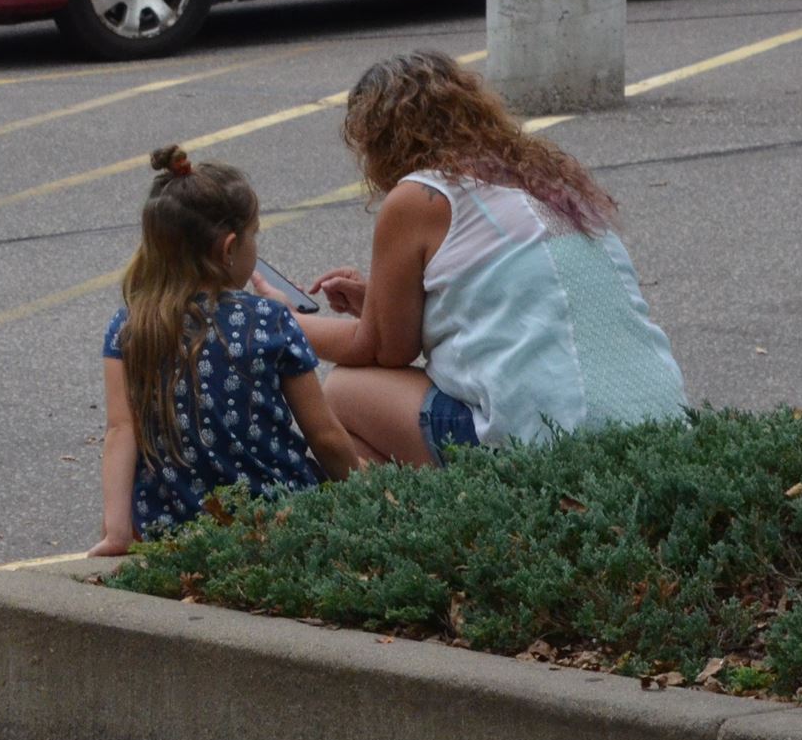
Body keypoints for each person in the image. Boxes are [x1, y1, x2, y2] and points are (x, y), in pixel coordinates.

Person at [299, 50, 687, 465]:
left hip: (550, 446)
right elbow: (524, 299)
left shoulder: (419, 196)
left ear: (378, 140)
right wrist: (380, 302)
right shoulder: (545, 176)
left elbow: (382, 350)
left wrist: (280, 320)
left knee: (346, 390)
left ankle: (430, 523)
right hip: (661, 424)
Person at [90, 146, 359, 556]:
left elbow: (120, 431)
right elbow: (324, 436)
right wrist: (372, 495)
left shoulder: (128, 327)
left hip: (174, 529)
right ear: (229, 248)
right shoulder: (271, 321)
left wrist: (117, 533)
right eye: (255, 235)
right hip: (278, 522)